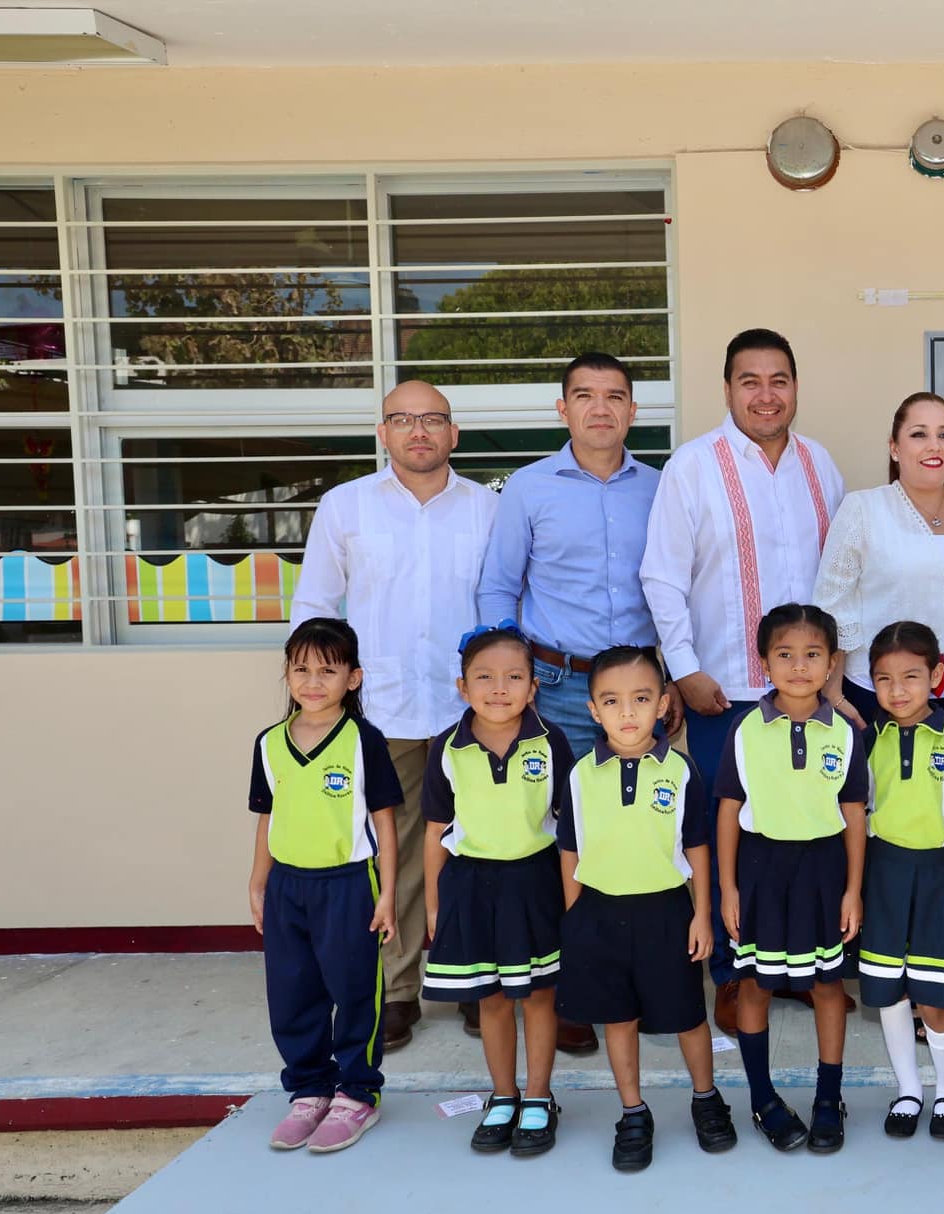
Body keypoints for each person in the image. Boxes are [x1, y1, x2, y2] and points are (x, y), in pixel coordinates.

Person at [641, 328, 846, 1034]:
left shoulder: (822, 466)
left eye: (779, 379)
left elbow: (840, 579)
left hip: (808, 700)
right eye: (750, 380)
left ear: (796, 387)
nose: (766, 394)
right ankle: (731, 975)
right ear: (728, 389)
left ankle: (796, 965)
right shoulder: (693, 467)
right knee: (726, 833)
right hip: (723, 692)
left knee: (801, 834)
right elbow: (661, 576)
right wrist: (686, 669)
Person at [291, 379, 497, 1052]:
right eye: (402, 420)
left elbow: (504, 607)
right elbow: (316, 610)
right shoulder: (345, 507)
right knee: (393, 854)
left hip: (473, 712)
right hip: (384, 713)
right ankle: (399, 989)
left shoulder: (487, 510)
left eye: (432, 419)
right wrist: (321, 703)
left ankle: (475, 984)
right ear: (382, 433)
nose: (418, 431)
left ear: (453, 433)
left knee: (482, 851)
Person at [479, 350, 669, 1058]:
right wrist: (506, 681)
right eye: (584, 396)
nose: (600, 408)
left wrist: (671, 677)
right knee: (563, 840)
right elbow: (498, 589)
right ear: (562, 410)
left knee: (642, 837)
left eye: (614, 396)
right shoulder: (527, 490)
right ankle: (573, 995)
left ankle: (642, 983)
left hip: (644, 695)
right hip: (558, 690)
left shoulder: (661, 488)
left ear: (632, 411)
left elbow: (677, 588)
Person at [556, 646, 738, 1170]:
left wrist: (702, 913)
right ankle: (633, 1111)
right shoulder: (580, 774)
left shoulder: (679, 771)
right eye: (612, 701)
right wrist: (575, 916)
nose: (627, 712)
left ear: (663, 704)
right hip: (598, 913)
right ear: (594, 710)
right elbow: (570, 847)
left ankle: (706, 1098)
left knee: (687, 1016)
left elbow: (697, 846)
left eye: (641, 698)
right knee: (618, 1017)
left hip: (666, 913)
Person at [715, 604, 868, 1154]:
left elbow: (854, 813)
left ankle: (830, 1097)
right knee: (755, 984)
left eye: (811, 655)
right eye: (784, 654)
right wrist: (728, 888)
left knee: (827, 985)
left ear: (831, 664)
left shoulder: (847, 733)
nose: (798, 665)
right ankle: (763, 1098)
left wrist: (853, 888)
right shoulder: (747, 728)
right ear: (763, 663)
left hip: (824, 873)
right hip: (760, 871)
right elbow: (729, 809)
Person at [418, 625, 575, 1157]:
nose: (499, 688)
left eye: (514, 677)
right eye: (484, 677)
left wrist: (573, 899)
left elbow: (570, 828)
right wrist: (436, 904)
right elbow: (436, 830)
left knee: (538, 995)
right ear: (463, 688)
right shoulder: (448, 748)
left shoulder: (551, 741)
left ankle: (538, 1096)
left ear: (534, 688)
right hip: (471, 887)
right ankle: (503, 1095)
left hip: (535, 883)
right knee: (490, 997)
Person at [249, 617, 401, 1155]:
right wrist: (258, 879)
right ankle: (309, 1089)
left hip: (348, 882)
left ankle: (357, 1093)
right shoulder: (268, 744)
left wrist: (387, 891)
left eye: (328, 671)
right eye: (302, 669)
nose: (313, 681)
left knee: (355, 986)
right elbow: (268, 816)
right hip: (289, 885)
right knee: (292, 990)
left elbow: (384, 820)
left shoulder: (365, 741)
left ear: (354, 678)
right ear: (288, 675)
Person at [815, 392, 944, 759]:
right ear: (894, 447)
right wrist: (834, 695)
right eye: (919, 434)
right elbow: (833, 604)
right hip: (880, 698)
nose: (934, 445)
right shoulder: (863, 509)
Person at [856, 621, 944, 1141]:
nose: (898, 690)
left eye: (911, 676)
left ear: (937, 674)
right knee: (889, 993)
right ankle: (908, 1090)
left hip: (941, 875)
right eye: (883, 679)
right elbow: (854, 816)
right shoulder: (867, 739)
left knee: (936, 996)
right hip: (884, 874)